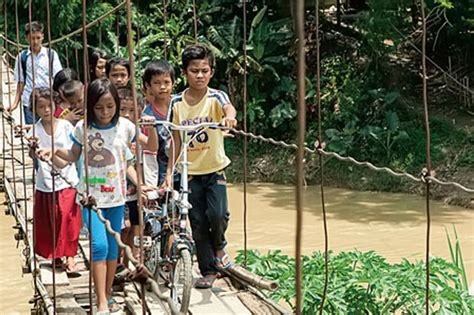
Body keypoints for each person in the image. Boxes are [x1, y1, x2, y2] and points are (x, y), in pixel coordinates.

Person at [41, 79, 143, 313]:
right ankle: (102, 302)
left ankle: (106, 293)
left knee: (112, 248)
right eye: (98, 107)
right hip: (90, 199)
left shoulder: (126, 127)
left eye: (110, 106)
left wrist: (141, 186)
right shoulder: (82, 128)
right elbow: (72, 156)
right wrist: (53, 152)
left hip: (117, 199)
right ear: (90, 107)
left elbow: (127, 162)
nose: (105, 112)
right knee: (98, 245)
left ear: (116, 104)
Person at [165, 44, 237, 289]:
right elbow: (174, 140)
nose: (199, 75)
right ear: (185, 72)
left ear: (211, 72)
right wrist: (168, 174)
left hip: (215, 168)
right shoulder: (176, 102)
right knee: (196, 220)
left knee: (217, 214)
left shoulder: (216, 97)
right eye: (194, 70)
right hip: (190, 172)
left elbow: (229, 108)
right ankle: (208, 270)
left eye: (204, 70)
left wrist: (230, 118)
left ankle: (220, 247)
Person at [27, 88, 81, 273]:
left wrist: (53, 155)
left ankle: (71, 257)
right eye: (41, 107)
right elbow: (32, 155)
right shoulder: (35, 129)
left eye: (49, 106)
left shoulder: (66, 127)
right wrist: (34, 150)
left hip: (67, 180)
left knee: (69, 220)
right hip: (46, 183)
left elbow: (73, 154)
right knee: (52, 221)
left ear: (55, 105)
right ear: (35, 109)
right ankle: (56, 256)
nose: (46, 110)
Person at [117, 87, 158, 273]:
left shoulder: (132, 129)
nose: (127, 114)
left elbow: (152, 145)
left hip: (133, 191)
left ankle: (129, 263)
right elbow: (125, 165)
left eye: (132, 110)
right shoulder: (114, 130)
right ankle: (118, 263)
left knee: (136, 226)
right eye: (123, 110)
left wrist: (151, 128)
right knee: (122, 228)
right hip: (117, 190)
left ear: (141, 110)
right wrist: (140, 184)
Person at [9, 21, 62, 124]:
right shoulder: (21, 57)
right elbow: (21, 82)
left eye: (38, 38)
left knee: (50, 132)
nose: (35, 41)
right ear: (27, 38)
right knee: (32, 134)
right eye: (32, 38)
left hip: (48, 101)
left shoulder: (50, 54)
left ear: (43, 37)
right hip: (29, 102)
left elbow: (58, 78)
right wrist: (15, 103)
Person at [142, 60, 175, 185]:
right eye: (156, 83)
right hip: (163, 167)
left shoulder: (180, 104)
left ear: (173, 83)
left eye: (166, 82)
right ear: (148, 86)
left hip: (186, 163)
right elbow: (151, 148)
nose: (162, 87)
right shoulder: (148, 114)